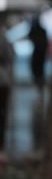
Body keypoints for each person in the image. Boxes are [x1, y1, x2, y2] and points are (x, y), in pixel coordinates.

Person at [0, 25, 14, 156]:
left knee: (2, 113)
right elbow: (10, 56)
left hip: (3, 80)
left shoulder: (3, 36)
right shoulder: (4, 36)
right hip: (4, 81)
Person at [27, 15, 48, 93]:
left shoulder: (40, 31)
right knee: (38, 71)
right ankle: (40, 89)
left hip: (39, 54)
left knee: (39, 71)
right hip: (39, 54)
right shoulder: (40, 30)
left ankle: (40, 89)